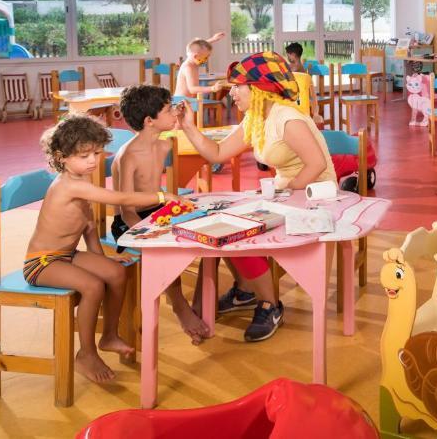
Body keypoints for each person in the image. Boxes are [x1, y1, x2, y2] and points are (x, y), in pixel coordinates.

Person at [178, 51, 338, 342]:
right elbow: (217, 153)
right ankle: (246, 290)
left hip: (314, 195)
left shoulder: (287, 118)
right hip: (286, 193)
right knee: (224, 225)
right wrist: (188, 126)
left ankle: (270, 305)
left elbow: (316, 165)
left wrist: (284, 193)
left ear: (258, 88)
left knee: (239, 231)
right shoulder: (255, 118)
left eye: (237, 87)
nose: (231, 93)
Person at [28, 116, 175, 383]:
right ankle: (86, 353)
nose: (93, 161)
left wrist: (101, 259)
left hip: (67, 256)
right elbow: (120, 198)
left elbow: (88, 227)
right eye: (84, 156)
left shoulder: (81, 183)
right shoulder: (69, 185)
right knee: (93, 286)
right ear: (62, 157)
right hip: (42, 262)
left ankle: (109, 335)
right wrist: (162, 196)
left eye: (97, 153)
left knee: (116, 273)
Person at [112, 84, 211, 345]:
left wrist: (185, 121)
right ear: (149, 121)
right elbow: (126, 207)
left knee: (207, 235)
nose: (174, 113)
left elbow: (202, 146)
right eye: (169, 110)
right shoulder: (128, 155)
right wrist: (150, 233)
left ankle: (200, 305)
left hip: (158, 211)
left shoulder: (164, 144)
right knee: (165, 248)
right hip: (130, 220)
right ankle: (180, 306)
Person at [174, 32, 226, 99]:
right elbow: (192, 89)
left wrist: (213, 39)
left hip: (189, 101)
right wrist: (212, 88)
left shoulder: (194, 61)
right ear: (196, 56)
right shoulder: (188, 67)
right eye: (205, 58)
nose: (206, 60)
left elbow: (198, 47)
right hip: (180, 102)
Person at [284, 42, 323, 126]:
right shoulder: (300, 69)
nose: (287, 58)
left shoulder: (296, 70)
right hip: (297, 100)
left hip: (298, 102)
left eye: (288, 55)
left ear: (293, 55)